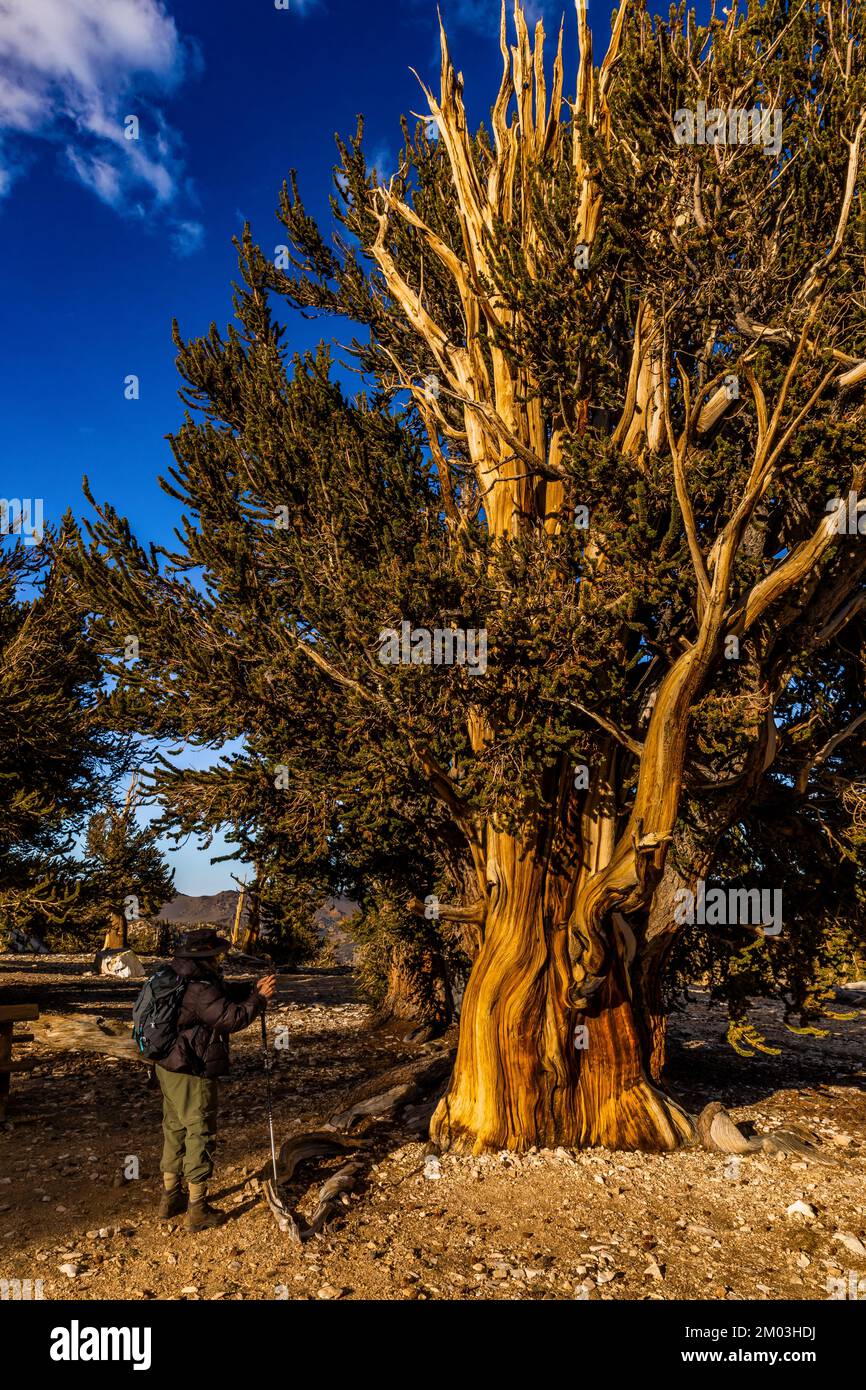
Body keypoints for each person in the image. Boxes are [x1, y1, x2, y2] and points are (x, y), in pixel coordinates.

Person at [154, 928, 277, 1230]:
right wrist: (259, 1000)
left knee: (174, 1126)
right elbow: (229, 1018)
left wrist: (249, 988)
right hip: (193, 1067)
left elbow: (217, 997)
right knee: (199, 1130)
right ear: (207, 955)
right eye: (217, 953)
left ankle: (170, 1197)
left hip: (167, 1064)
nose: (220, 957)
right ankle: (198, 1208)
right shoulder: (200, 984)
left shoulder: (176, 973)